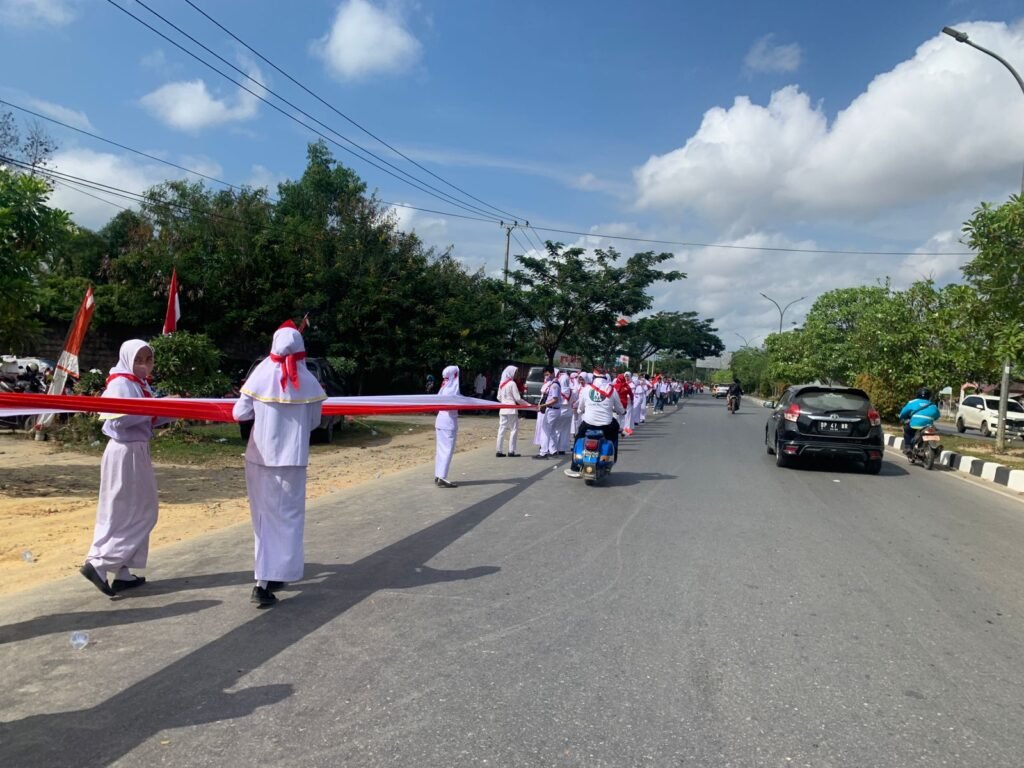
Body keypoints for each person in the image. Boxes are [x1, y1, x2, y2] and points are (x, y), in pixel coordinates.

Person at [232, 321, 326, 608]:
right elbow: (314, 423)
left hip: (260, 458)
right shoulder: (309, 382)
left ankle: (263, 579)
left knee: (262, 519)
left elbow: (239, 414)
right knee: (288, 519)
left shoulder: (259, 375)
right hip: (292, 461)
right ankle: (274, 576)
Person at [81, 340, 172, 598]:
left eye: (148, 359)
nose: (144, 365)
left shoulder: (138, 384)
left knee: (129, 510)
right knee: (140, 512)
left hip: (136, 449)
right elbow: (119, 419)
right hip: (125, 451)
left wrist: (173, 408)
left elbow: (147, 418)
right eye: (138, 360)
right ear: (127, 359)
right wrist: (159, 406)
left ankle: (122, 572)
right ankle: (100, 563)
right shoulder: (120, 383)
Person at [564, 367, 625, 478]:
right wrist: (622, 412)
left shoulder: (587, 389)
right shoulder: (612, 390)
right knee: (614, 434)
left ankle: (575, 467)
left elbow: (580, 407)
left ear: (593, 377)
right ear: (606, 377)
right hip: (607, 424)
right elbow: (619, 408)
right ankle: (613, 458)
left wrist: (581, 410)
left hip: (588, 423)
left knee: (578, 438)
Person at [434, 364, 461, 487]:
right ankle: (442, 477)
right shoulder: (452, 389)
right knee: (447, 450)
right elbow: (452, 405)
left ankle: (438, 474)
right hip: (448, 422)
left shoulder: (444, 387)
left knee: (440, 450)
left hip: (440, 421)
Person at [495, 364, 528, 457]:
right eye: (515, 373)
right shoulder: (512, 383)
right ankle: (511, 451)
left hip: (503, 409)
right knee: (513, 429)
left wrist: (505, 401)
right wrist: (528, 405)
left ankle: (499, 451)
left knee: (501, 429)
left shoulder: (501, 384)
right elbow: (518, 398)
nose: (516, 374)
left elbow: (498, 397)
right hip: (511, 409)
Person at [898, 387, 941, 456]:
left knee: (907, 430)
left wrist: (901, 416)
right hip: (928, 426)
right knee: (933, 432)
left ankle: (908, 447)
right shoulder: (933, 405)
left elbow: (903, 413)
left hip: (915, 425)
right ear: (929, 396)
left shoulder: (912, 402)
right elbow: (937, 416)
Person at [532, 367, 561, 459]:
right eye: (545, 375)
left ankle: (543, 452)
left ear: (552, 373)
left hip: (552, 410)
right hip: (553, 410)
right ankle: (553, 450)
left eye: (548, 374)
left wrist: (543, 405)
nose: (546, 376)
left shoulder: (554, 385)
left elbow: (555, 399)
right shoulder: (552, 383)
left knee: (545, 431)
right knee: (552, 431)